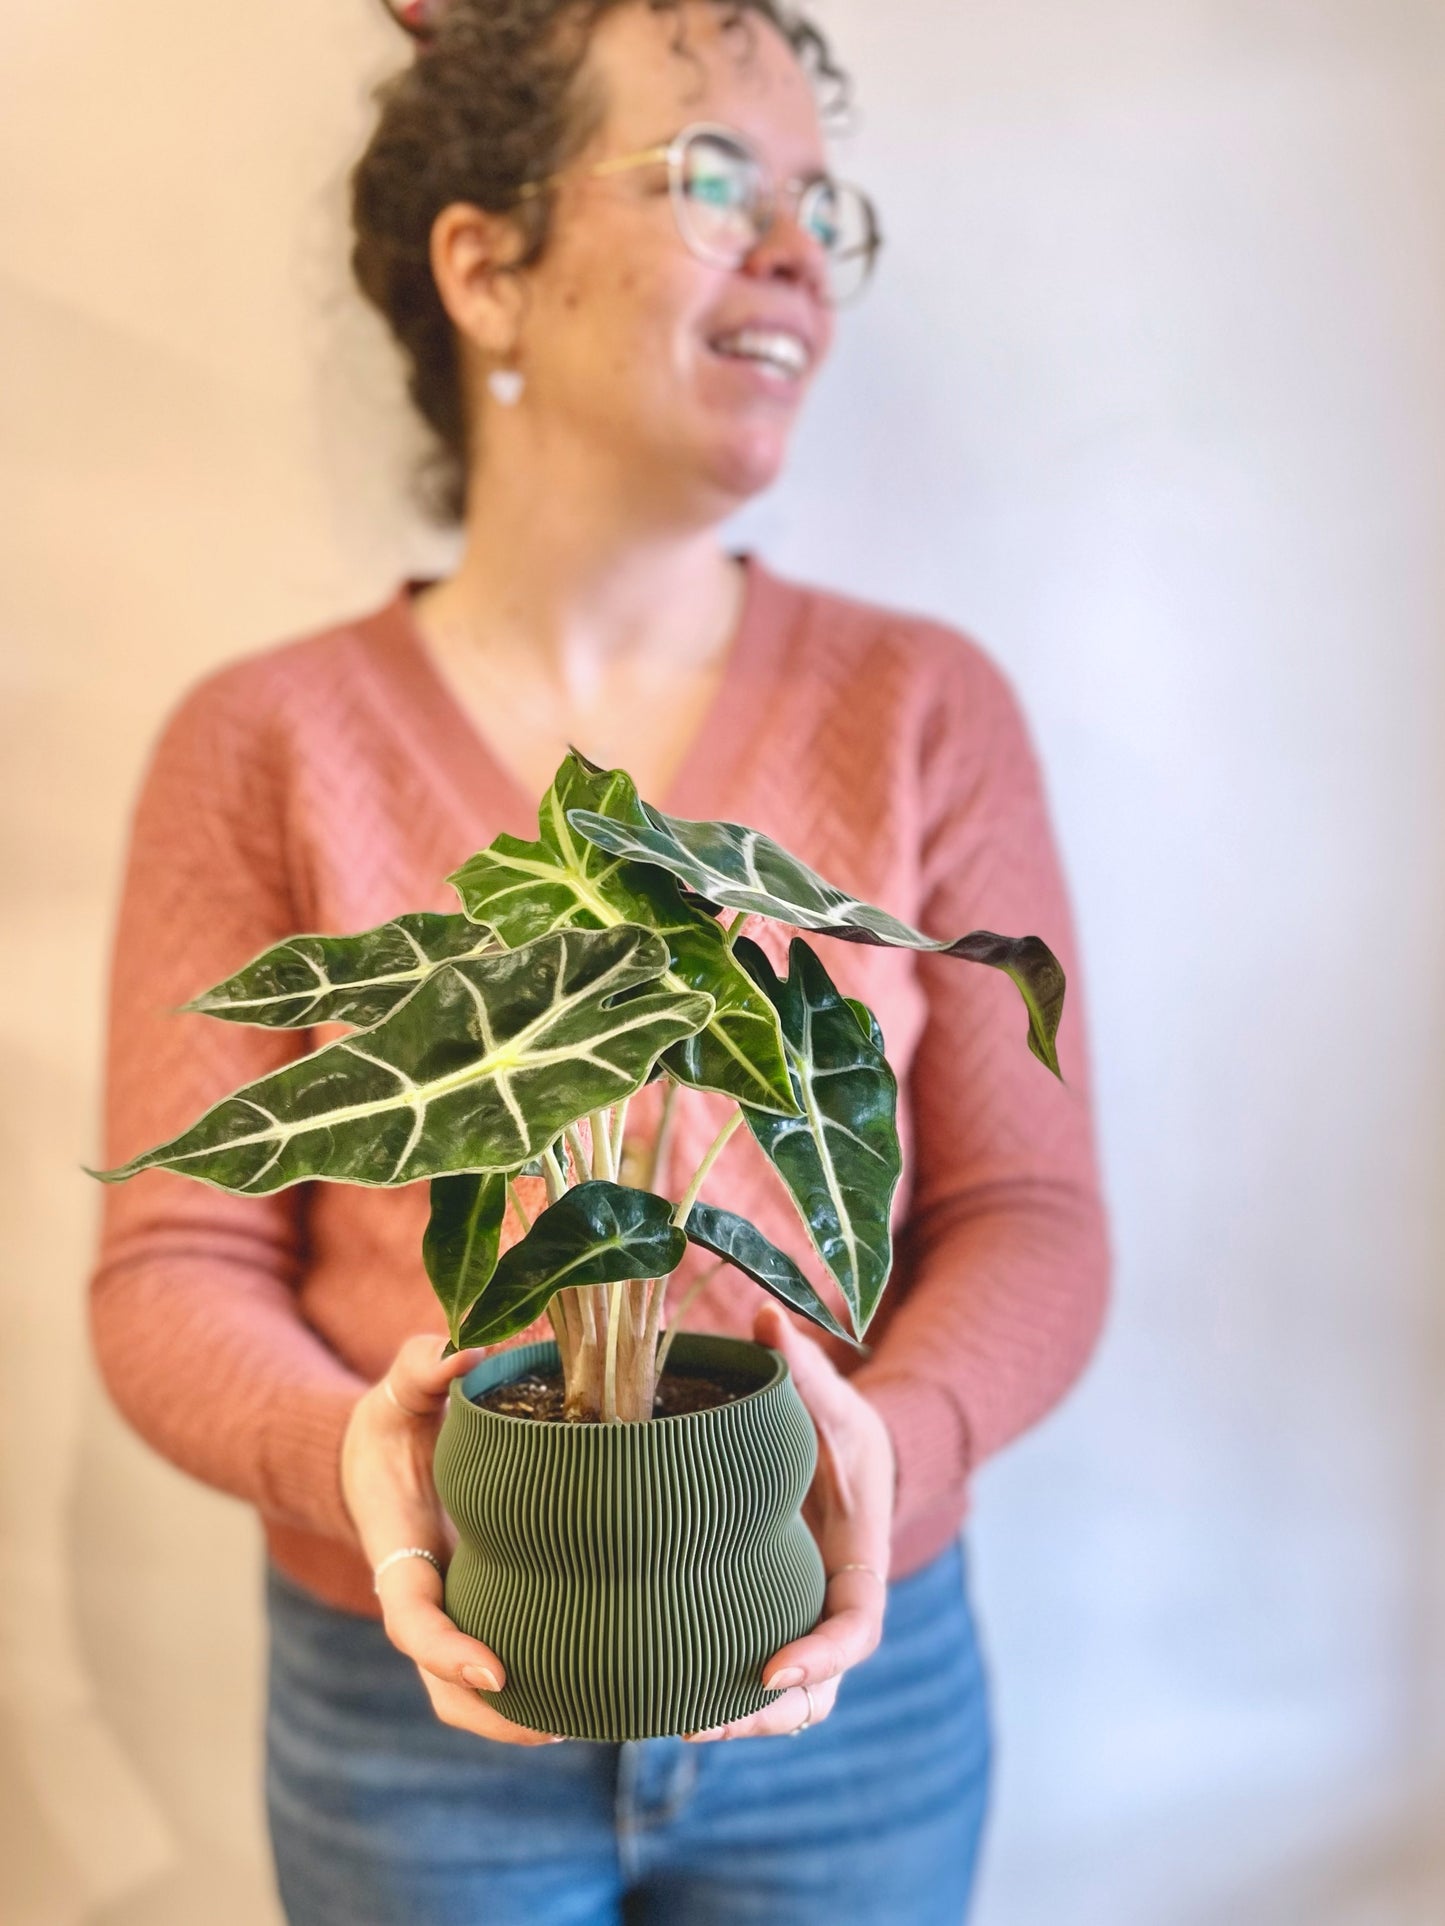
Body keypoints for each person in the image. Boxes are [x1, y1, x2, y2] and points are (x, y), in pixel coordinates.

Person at [89, 2, 1110, 1920]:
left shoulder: (920, 707)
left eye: (826, 203)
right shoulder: (264, 739)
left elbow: (1030, 1213)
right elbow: (173, 1258)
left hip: (849, 1690)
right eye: (718, 179)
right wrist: (354, 1462)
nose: (801, 248)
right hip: (414, 1699)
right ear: (484, 265)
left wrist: (889, 1443)